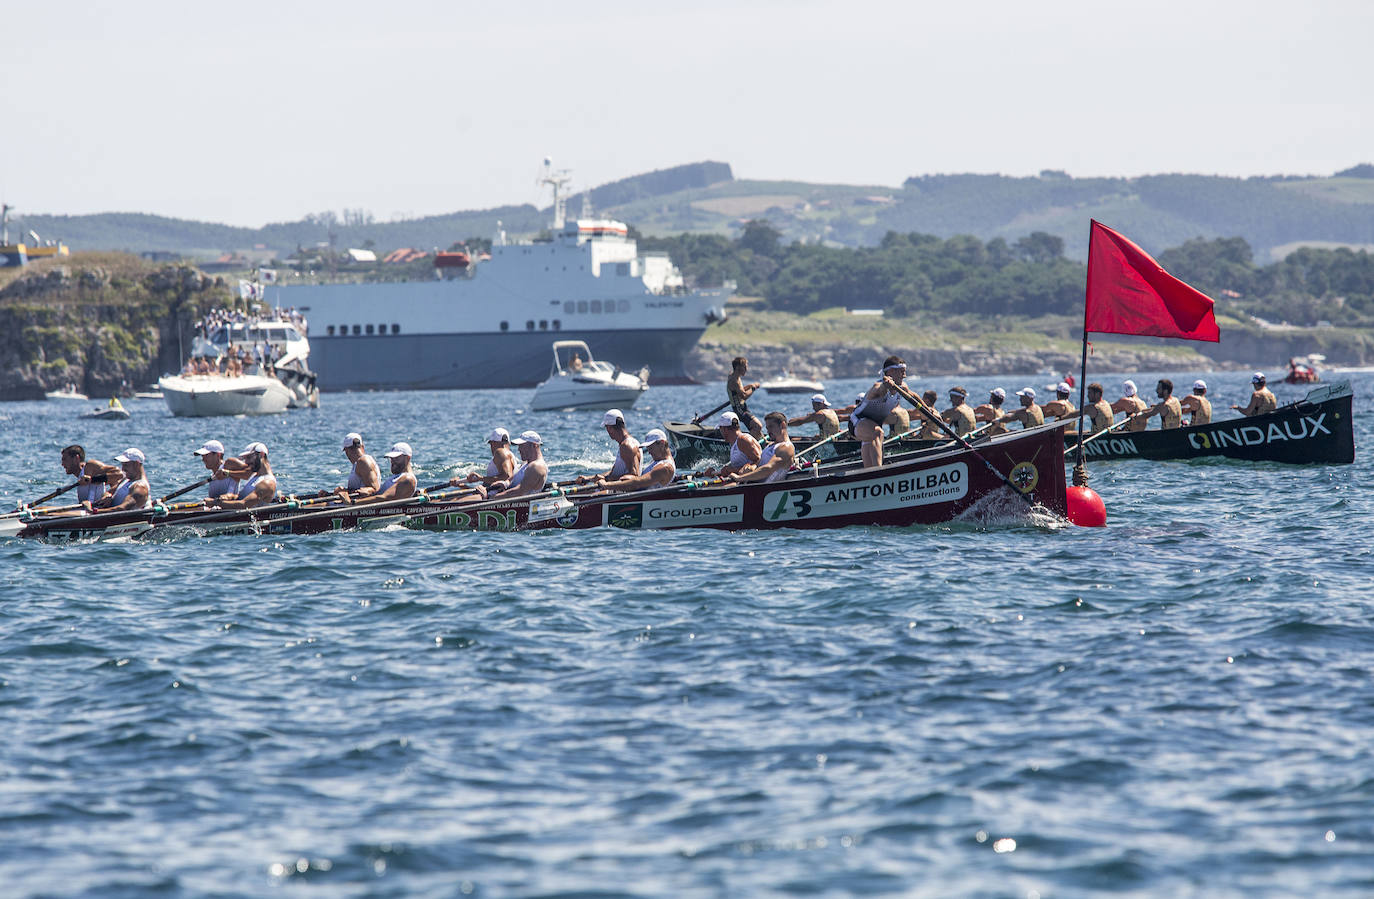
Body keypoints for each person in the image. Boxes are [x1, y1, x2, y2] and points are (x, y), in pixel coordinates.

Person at [850, 356, 909, 468]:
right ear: (891, 372)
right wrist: (886, 386)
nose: (904, 376)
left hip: (872, 425)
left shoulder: (902, 387)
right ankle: (878, 471)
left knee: (873, 437)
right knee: (878, 433)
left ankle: (870, 474)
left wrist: (928, 410)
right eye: (902, 372)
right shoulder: (878, 386)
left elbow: (914, 396)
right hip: (857, 423)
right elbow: (880, 391)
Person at [597, 429, 677, 492]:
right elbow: (641, 479)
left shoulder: (665, 467)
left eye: (651, 448)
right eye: (648, 449)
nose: (649, 452)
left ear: (662, 444)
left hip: (639, 498)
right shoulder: (658, 461)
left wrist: (606, 485)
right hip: (634, 493)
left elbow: (637, 483)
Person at [728, 412, 796, 484]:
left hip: (763, 489)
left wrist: (739, 478)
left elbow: (768, 468)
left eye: (771, 427)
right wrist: (751, 467)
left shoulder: (787, 447)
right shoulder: (771, 445)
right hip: (751, 484)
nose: (768, 431)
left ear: (782, 425)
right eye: (767, 428)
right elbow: (759, 465)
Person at [208, 442, 277, 509]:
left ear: (261, 455)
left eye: (249, 457)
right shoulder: (254, 477)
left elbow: (244, 504)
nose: (246, 462)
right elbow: (243, 497)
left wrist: (214, 502)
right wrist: (231, 496)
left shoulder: (267, 483)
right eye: (245, 459)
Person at [579, 409, 641, 484]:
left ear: (610, 428)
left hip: (621, 491)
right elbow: (613, 473)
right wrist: (589, 478)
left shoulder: (626, 446)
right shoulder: (632, 442)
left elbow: (634, 476)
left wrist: (606, 479)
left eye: (606, 428)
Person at [349, 442, 418, 503]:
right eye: (391, 458)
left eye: (396, 458)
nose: (392, 461)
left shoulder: (408, 479)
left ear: (408, 458)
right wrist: (371, 492)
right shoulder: (398, 477)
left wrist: (353, 503)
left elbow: (385, 498)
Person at [487, 431, 549, 498]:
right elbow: (512, 479)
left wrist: (493, 497)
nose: (519, 449)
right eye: (519, 446)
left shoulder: (537, 466)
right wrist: (505, 483)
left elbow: (519, 491)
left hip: (517, 503)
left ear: (534, 445)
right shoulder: (526, 464)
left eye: (522, 446)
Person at [703, 411, 762, 478]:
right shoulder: (735, 443)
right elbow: (739, 469)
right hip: (742, 480)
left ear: (724, 429)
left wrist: (732, 470)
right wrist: (715, 472)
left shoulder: (743, 440)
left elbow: (759, 462)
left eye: (720, 429)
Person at [331, 432, 380, 500]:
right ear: (362, 446)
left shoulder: (363, 461)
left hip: (360, 506)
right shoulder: (359, 463)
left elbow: (375, 490)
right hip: (353, 502)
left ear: (347, 451)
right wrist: (343, 491)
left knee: (313, 506)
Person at [726, 356, 764, 440]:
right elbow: (744, 396)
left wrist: (750, 386)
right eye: (745, 367)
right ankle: (744, 445)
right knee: (758, 426)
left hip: (743, 408)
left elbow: (739, 390)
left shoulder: (735, 376)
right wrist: (753, 388)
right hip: (739, 410)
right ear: (738, 367)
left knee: (756, 431)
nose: (746, 369)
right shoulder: (734, 381)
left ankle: (756, 444)